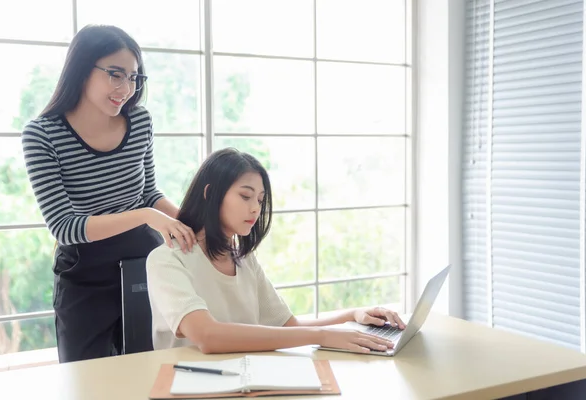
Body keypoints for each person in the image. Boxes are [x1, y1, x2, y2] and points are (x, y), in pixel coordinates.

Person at [21, 25, 196, 363]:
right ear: (82, 68)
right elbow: (65, 227)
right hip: (84, 276)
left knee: (151, 373)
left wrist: (194, 225)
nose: (126, 89)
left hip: (144, 265)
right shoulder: (42, 135)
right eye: (115, 75)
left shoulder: (140, 122)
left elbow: (148, 194)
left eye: (133, 78)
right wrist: (148, 217)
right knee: (88, 384)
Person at [146, 148, 406, 354]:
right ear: (210, 194)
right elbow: (207, 336)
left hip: (246, 380)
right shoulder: (167, 259)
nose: (255, 209)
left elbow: (290, 327)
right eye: (245, 196)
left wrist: (353, 315)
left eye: (260, 200)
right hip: (188, 386)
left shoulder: (245, 260)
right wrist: (322, 336)